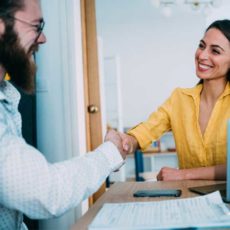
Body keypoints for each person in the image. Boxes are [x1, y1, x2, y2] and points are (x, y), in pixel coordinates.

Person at [0, 0, 126, 229]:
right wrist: (111, 152)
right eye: (36, 26)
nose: (43, 38)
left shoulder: (6, 97)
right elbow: (47, 192)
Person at [107, 19, 230, 182]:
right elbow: (148, 129)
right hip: (189, 197)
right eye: (201, 46)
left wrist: (183, 174)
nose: (202, 55)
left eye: (215, 51)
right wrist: (127, 141)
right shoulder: (179, 99)